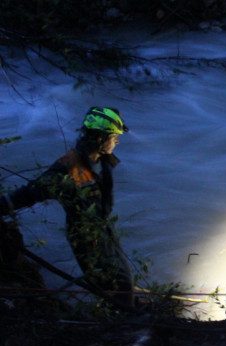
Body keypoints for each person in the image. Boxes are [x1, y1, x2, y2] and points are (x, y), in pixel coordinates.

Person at [0, 107, 133, 307]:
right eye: (114, 137)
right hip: (86, 237)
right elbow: (29, 193)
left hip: (104, 228)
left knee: (124, 277)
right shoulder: (66, 170)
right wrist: (3, 206)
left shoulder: (101, 161)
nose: (117, 141)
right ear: (99, 139)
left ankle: (128, 310)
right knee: (112, 282)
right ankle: (123, 322)